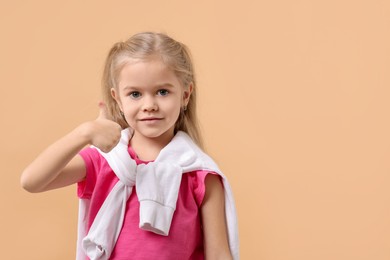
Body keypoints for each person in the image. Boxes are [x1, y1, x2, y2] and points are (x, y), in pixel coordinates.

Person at [21, 32, 239, 260]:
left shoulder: (200, 174)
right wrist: (84, 133)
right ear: (118, 100)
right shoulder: (105, 161)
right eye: (135, 94)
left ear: (185, 95)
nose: (149, 105)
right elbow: (32, 181)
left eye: (162, 92)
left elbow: (218, 253)